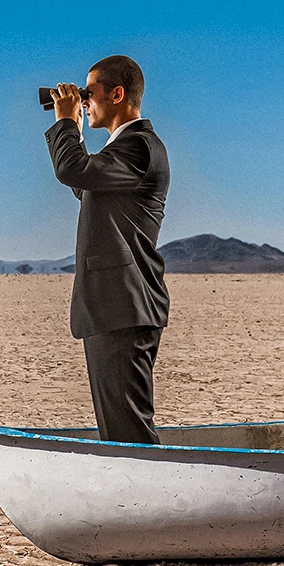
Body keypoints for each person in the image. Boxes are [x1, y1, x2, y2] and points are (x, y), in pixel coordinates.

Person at [45, 55, 169, 444]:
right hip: (116, 306)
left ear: (117, 95)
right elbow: (83, 184)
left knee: (128, 434)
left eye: (89, 93)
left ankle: (152, 486)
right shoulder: (126, 151)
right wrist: (76, 133)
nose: (84, 102)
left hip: (123, 306)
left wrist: (66, 122)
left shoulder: (139, 146)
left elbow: (73, 171)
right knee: (121, 433)